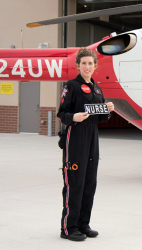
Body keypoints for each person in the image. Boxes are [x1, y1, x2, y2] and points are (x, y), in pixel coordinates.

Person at [57, 48, 114, 241]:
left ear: (95, 66)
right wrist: (74, 117)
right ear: (78, 66)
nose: (87, 67)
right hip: (76, 137)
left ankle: (83, 224)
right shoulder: (71, 86)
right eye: (84, 63)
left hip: (92, 137)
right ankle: (68, 227)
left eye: (91, 63)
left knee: (90, 182)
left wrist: (108, 109)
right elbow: (62, 113)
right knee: (75, 182)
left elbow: (100, 117)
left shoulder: (97, 89)